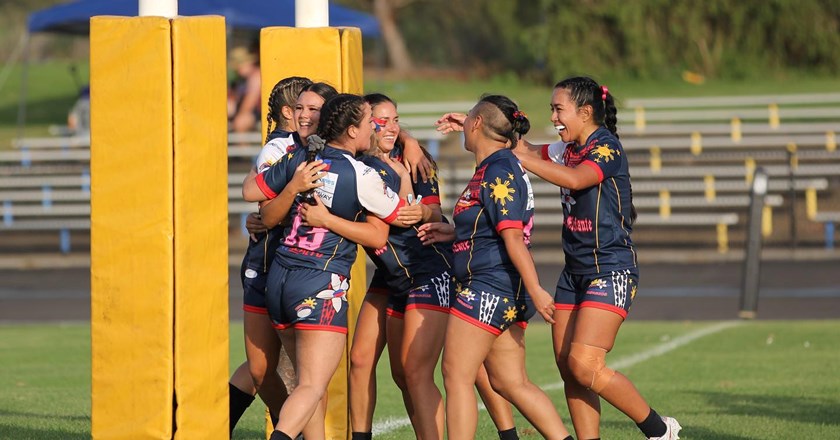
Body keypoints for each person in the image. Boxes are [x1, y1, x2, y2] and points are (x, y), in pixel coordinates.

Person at [448, 77, 681, 439]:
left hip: (611, 268)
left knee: (584, 364)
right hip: (574, 274)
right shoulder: (566, 148)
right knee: (568, 368)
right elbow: (514, 143)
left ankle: (658, 430)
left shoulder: (606, 148)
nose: (554, 117)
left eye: (559, 109)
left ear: (585, 113)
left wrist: (519, 156)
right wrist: (472, 122)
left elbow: (575, 180)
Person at [244, 93, 418, 440]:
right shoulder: (362, 174)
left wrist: (293, 189)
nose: (376, 127)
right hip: (319, 283)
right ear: (353, 131)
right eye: (371, 121)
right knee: (311, 386)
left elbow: (256, 200)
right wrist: (408, 187)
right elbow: (392, 224)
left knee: (307, 389)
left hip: (279, 280)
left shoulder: (299, 157)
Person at [424, 94, 573, 440]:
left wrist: (536, 290)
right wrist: (453, 232)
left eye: (469, 120)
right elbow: (489, 227)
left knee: (456, 374)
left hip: (488, 287)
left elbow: (513, 236)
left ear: (476, 123)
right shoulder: (496, 166)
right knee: (511, 382)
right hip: (501, 287)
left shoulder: (498, 170)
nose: (463, 127)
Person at [228, 76, 315, 436]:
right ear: (287, 112)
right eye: (302, 108)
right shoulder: (278, 150)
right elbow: (264, 205)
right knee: (263, 366)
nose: (309, 116)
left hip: (292, 267)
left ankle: (288, 426)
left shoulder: (303, 146)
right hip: (267, 265)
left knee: (279, 366)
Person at [228, 45, 262, 134]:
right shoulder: (242, 79)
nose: (238, 69)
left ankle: (242, 147)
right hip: (249, 111)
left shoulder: (256, 76)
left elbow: (250, 102)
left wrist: (239, 114)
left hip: (259, 113)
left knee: (241, 122)